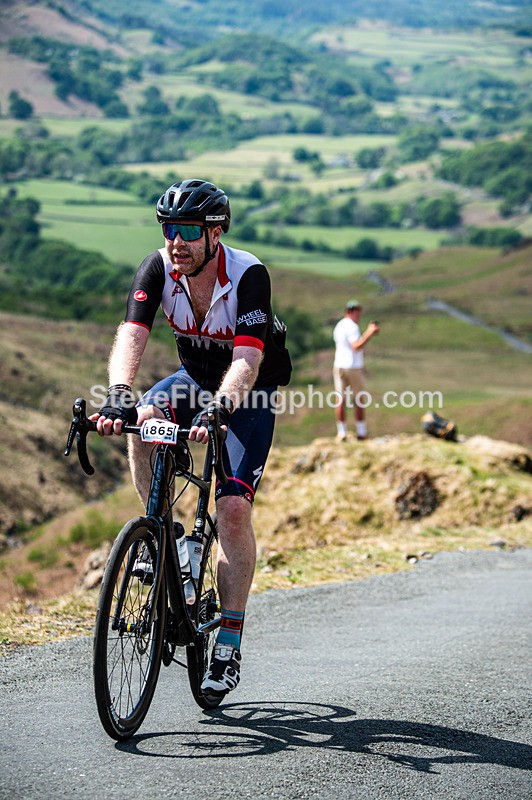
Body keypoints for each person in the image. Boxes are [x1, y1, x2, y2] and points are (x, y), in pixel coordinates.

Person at [91, 178, 291, 695]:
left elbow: (247, 359)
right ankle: (165, 537)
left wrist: (220, 408)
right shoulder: (158, 267)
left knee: (233, 510)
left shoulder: (248, 275)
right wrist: (118, 393)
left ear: (215, 233)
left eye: (188, 231)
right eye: (168, 229)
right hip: (193, 380)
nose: (176, 241)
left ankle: (229, 641)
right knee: (142, 420)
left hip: (248, 392)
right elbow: (132, 332)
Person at [333, 299, 379, 442]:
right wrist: (369, 333)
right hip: (353, 367)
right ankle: (361, 432)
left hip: (339, 365)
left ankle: (341, 433)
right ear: (351, 312)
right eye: (357, 312)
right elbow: (356, 346)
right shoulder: (352, 327)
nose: (359, 316)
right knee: (358, 400)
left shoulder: (339, 325)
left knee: (340, 399)